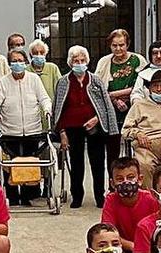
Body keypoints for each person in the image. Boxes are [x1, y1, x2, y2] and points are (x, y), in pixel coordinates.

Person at [53, 45, 118, 208]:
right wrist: (62, 132)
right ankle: (77, 195)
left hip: (95, 126)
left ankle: (99, 195)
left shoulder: (95, 80)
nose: (79, 63)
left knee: (97, 162)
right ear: (70, 63)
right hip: (72, 127)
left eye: (82, 60)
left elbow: (105, 105)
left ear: (87, 61)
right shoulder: (63, 82)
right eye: (76, 61)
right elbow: (58, 108)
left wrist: (97, 118)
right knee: (76, 163)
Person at [0, 47, 53, 206]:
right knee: (10, 164)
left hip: (33, 130)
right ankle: (12, 196)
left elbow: (44, 98)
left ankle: (29, 196)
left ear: (25, 62)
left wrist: (47, 109)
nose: (17, 64)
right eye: (14, 61)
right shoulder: (3, 82)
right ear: (10, 64)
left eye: (20, 61)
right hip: (10, 131)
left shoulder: (34, 79)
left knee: (30, 162)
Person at [101, 157, 160, 253]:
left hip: (148, 248)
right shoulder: (110, 200)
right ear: (112, 183)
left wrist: (142, 247)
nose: (125, 182)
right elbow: (108, 232)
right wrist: (133, 246)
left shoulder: (150, 200)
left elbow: (158, 231)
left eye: (130, 177)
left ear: (140, 179)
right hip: (124, 247)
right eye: (120, 179)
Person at [95, 29, 147, 160]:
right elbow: (98, 87)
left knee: (135, 148)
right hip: (111, 111)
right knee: (113, 150)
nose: (118, 48)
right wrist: (114, 100)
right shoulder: (104, 62)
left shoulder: (138, 60)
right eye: (114, 45)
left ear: (127, 45)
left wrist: (114, 94)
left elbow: (142, 85)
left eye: (121, 45)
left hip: (134, 108)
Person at [28, 40, 62, 104]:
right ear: (31, 54)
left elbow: (59, 89)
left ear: (45, 54)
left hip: (50, 108)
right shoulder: (26, 70)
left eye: (42, 52)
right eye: (35, 53)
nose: (39, 55)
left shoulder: (52, 68)